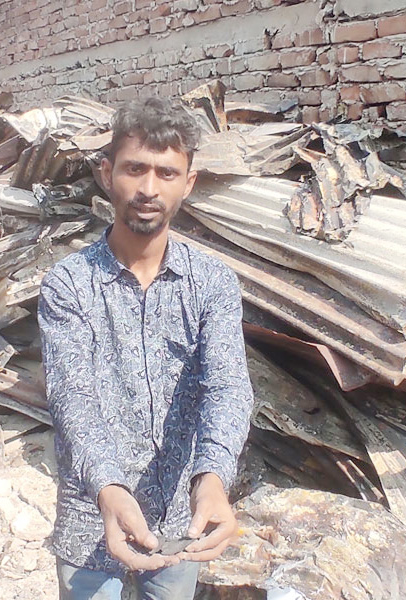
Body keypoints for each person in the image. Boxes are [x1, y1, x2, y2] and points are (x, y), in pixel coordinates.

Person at [38, 97, 254, 600]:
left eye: (167, 172)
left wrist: (214, 477)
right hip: (92, 516)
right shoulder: (68, 285)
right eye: (135, 169)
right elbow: (73, 398)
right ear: (107, 173)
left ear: (189, 183)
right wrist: (109, 490)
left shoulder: (212, 283)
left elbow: (227, 385)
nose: (149, 189)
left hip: (181, 516)